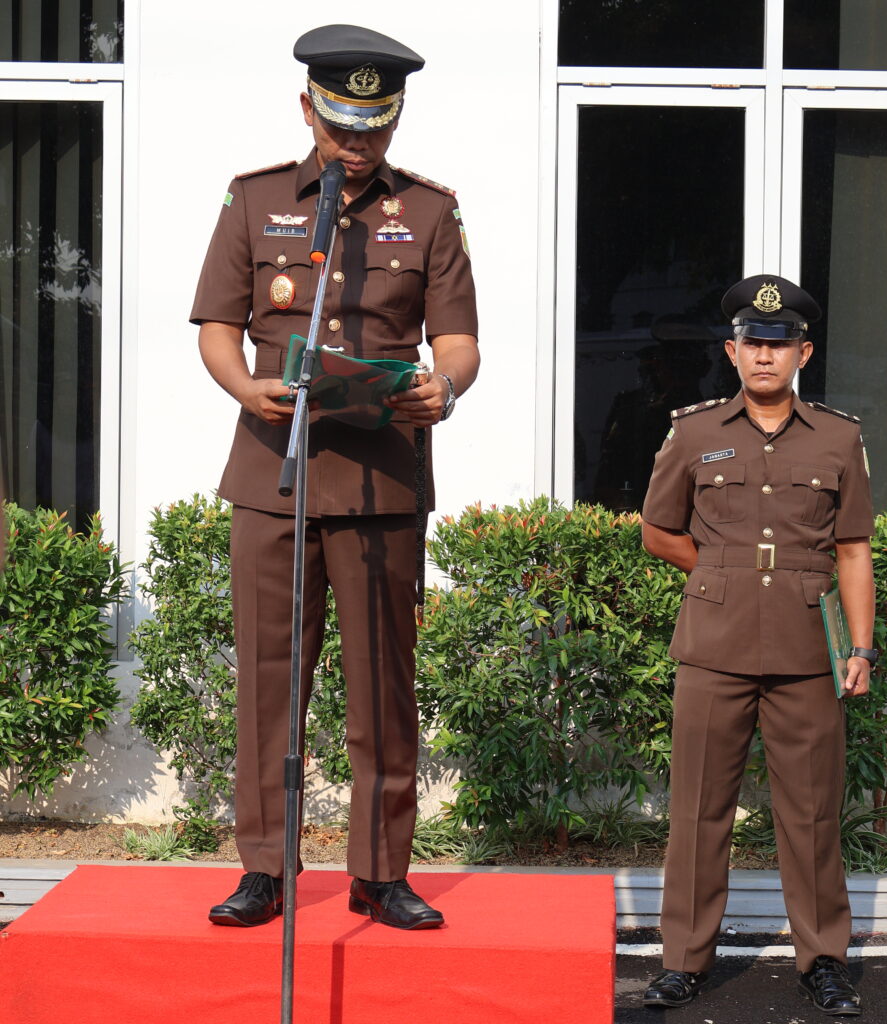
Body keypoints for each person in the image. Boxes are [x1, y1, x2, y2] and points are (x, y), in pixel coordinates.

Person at [190, 24, 479, 930]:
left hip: (383, 479)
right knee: (270, 681)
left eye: (376, 128)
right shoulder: (254, 199)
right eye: (343, 126)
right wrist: (247, 389)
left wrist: (443, 388)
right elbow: (216, 328)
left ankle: (380, 873)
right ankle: (265, 870)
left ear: (396, 121)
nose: (358, 144)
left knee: (383, 685)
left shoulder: (430, 211)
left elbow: (459, 343)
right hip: (273, 473)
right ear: (307, 109)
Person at [639, 275, 876, 1016]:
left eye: (779, 344)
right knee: (697, 811)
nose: (765, 355)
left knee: (811, 814)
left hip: (808, 652)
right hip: (714, 645)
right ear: (731, 351)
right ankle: (683, 961)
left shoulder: (839, 437)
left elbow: (853, 549)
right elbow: (657, 530)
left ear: (803, 354)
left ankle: (824, 960)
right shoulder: (694, 432)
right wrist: (718, 572)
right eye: (753, 343)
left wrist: (860, 649)